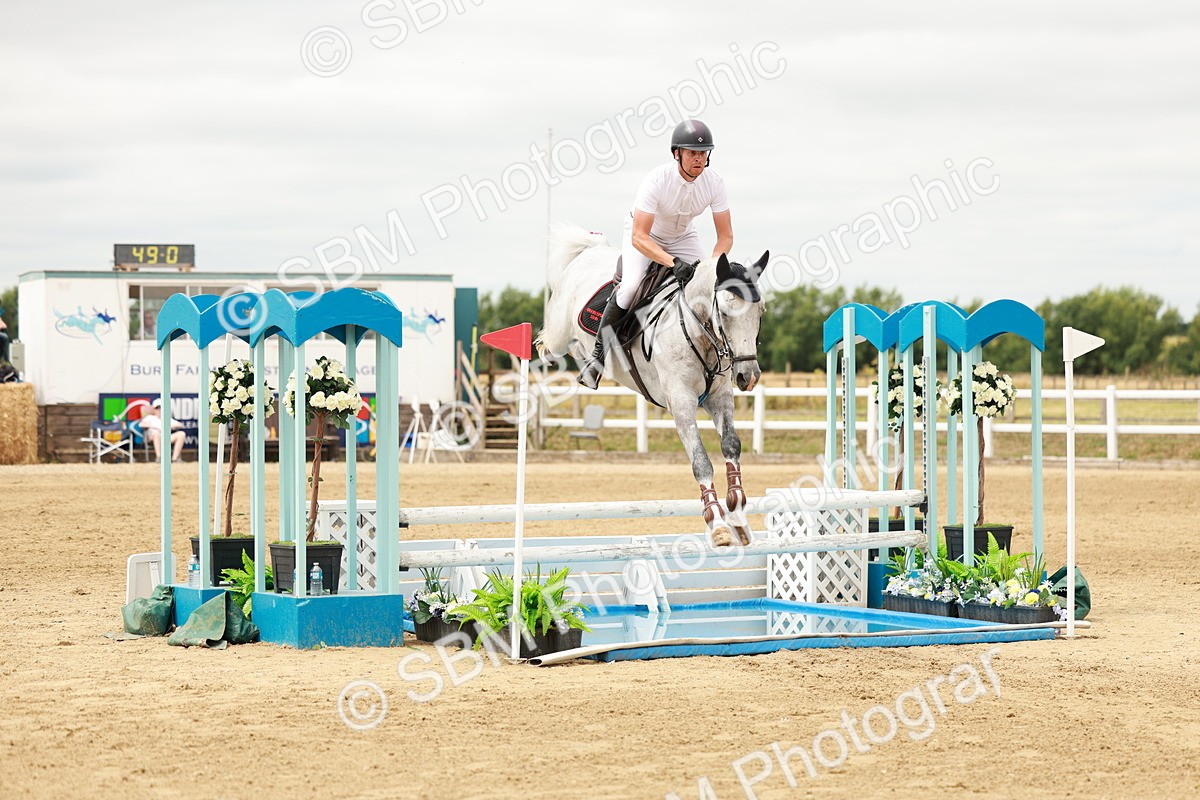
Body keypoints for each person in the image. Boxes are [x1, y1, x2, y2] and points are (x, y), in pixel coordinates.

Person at [578, 119, 733, 388]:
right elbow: (639, 236)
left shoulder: (715, 183)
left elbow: (725, 237)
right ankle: (597, 360)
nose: (699, 159)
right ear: (677, 154)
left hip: (683, 235)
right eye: (693, 153)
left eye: (704, 153)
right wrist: (673, 263)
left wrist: (711, 268)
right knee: (630, 288)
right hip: (644, 236)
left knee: (709, 287)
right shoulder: (657, 180)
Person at [141, 397, 186, 462]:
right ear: (154, 409)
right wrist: (155, 427)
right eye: (157, 408)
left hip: (166, 437)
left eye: (161, 408)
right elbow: (141, 424)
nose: (159, 410)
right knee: (156, 433)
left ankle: (174, 459)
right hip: (153, 438)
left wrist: (170, 426)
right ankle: (159, 457)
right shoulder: (150, 418)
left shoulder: (168, 418)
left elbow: (180, 424)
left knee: (181, 434)